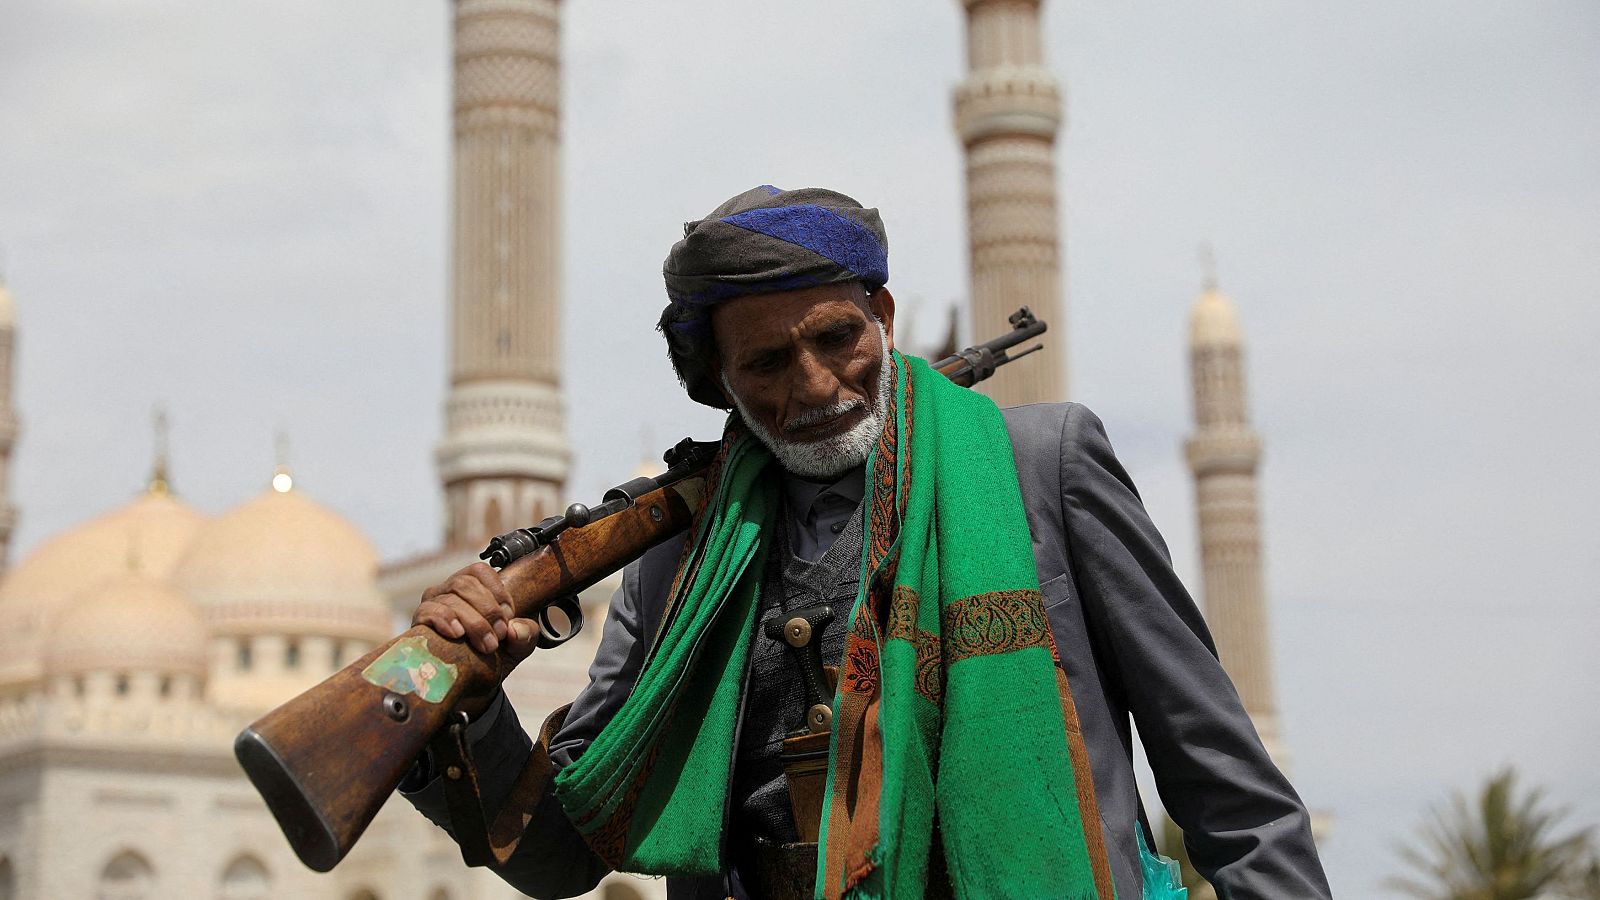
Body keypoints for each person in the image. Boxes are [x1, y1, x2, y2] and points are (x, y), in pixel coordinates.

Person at [402, 186, 1332, 900]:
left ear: (883, 318)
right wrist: (468, 702)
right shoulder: (673, 558)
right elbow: (564, 852)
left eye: (837, 337)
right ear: (720, 381)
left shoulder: (1038, 468)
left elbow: (1227, 791)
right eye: (766, 363)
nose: (813, 385)